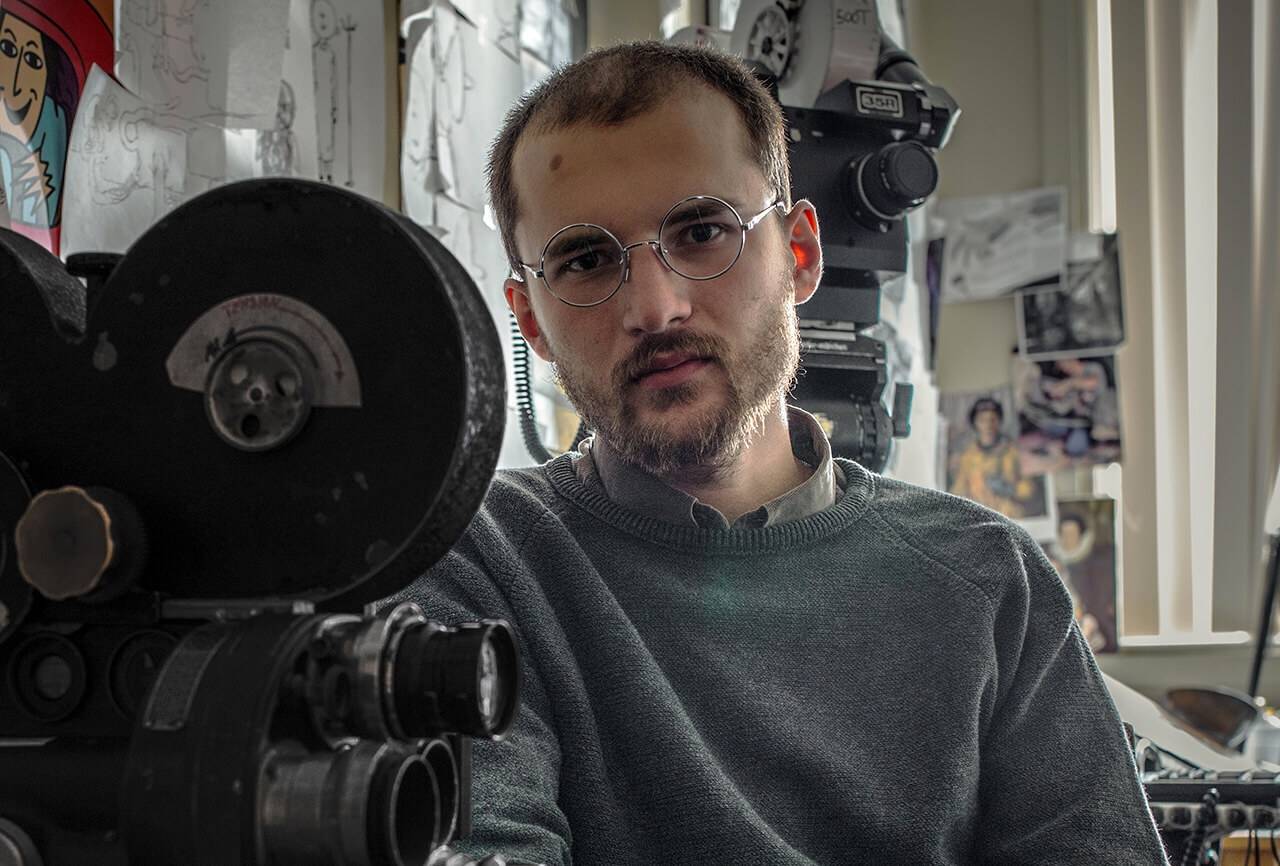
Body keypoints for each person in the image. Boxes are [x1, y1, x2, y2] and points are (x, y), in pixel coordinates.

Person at [399, 41, 1167, 866]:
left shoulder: (991, 583)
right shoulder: (478, 564)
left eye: (702, 231)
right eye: (585, 260)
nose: (655, 307)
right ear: (531, 320)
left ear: (799, 254)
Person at [947, 397, 1045, 519]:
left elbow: (1030, 489)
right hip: (979, 519)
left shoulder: (1013, 451)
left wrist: (1011, 489)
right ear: (975, 423)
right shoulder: (968, 457)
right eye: (982, 420)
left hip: (1009, 517)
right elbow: (958, 490)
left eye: (993, 419)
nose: (988, 425)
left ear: (999, 421)